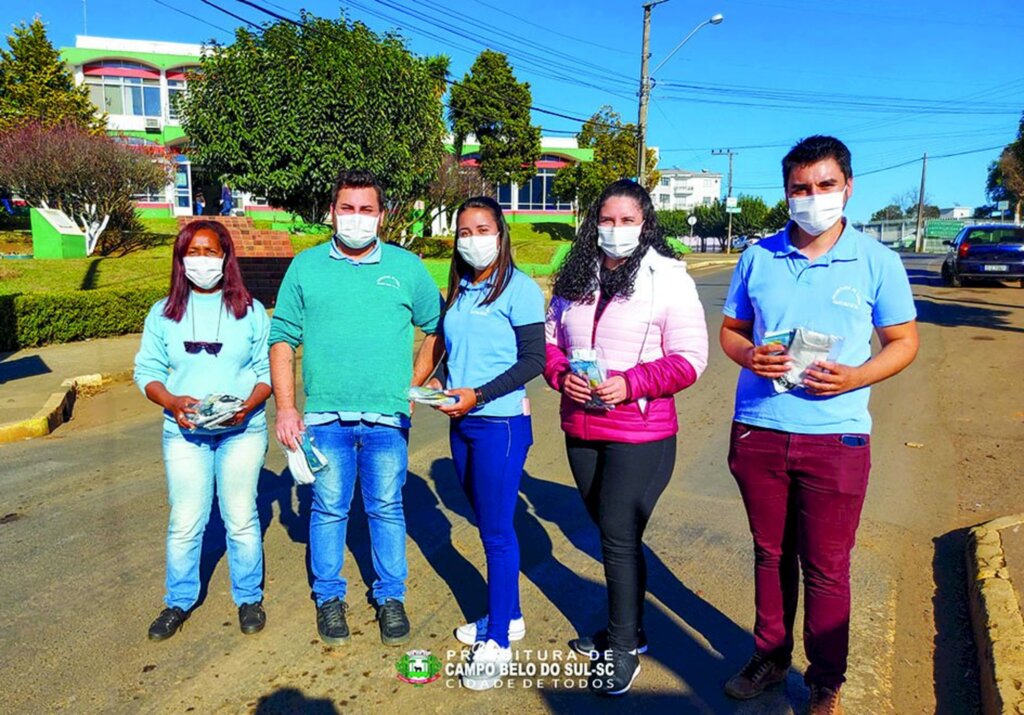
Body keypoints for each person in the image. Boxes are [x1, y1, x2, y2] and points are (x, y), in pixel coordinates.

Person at [719, 136, 918, 715]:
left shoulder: (877, 261)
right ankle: (770, 659)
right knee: (769, 554)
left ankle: (826, 679)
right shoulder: (758, 256)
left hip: (837, 436)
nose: (813, 198)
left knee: (827, 566)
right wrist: (748, 355)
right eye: (800, 189)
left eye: (825, 186)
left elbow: (903, 343)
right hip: (759, 430)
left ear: (847, 187)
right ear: (786, 193)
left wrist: (855, 377)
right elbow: (731, 331)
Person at [543, 179, 708, 696]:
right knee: (613, 533)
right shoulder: (577, 273)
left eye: (627, 220)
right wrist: (559, 374)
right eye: (606, 220)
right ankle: (628, 625)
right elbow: (549, 342)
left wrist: (631, 383)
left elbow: (690, 360)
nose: (615, 231)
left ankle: (622, 647)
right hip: (582, 426)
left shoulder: (669, 278)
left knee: (616, 535)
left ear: (645, 224)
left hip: (640, 429)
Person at [269, 169, 442, 649]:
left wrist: (413, 384)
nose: (357, 218)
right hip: (325, 419)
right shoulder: (305, 268)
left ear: (381, 215)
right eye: (348, 208)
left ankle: (390, 597)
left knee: (386, 509)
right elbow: (282, 339)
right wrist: (286, 409)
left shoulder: (407, 268)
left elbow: (438, 327)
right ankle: (329, 598)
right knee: (328, 510)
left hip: (388, 420)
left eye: (367, 210)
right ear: (332, 213)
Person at [426, 196, 545, 690]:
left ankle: (496, 641)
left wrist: (478, 394)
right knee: (485, 522)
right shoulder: (458, 289)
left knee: (496, 532)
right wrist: (438, 382)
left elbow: (533, 360)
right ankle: (509, 614)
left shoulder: (520, 289)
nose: (473, 239)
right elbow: (452, 350)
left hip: (499, 424)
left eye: (482, 229)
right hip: (462, 424)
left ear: (500, 234)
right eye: (464, 231)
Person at [134, 219, 272, 641]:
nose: (202, 260)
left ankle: (248, 596)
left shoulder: (250, 311)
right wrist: (172, 401)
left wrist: (248, 406)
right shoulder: (162, 313)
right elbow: (147, 372)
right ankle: (178, 600)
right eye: (193, 252)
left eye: (211, 252)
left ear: (226, 257)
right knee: (186, 519)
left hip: (242, 431)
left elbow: (267, 373)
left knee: (241, 517)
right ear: (180, 260)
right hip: (185, 433)